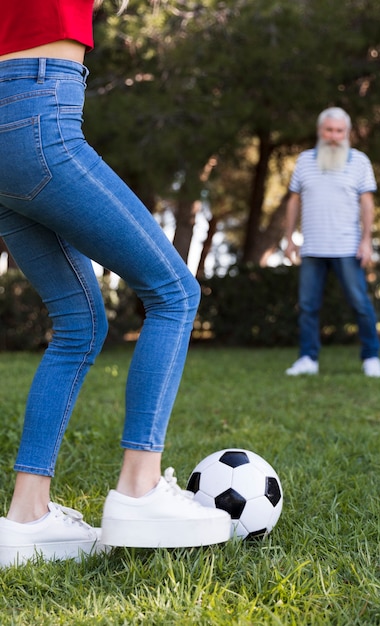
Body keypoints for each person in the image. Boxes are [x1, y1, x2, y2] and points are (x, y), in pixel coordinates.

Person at [0, 0, 231, 567]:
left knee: (79, 324)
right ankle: (140, 487)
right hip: (39, 109)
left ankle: (26, 516)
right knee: (175, 293)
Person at [284, 107, 380, 378]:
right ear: (320, 131)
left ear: (347, 133)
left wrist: (366, 241)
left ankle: (371, 356)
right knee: (307, 306)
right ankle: (307, 358)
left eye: (339, 131)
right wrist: (289, 237)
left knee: (360, 303)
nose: (334, 136)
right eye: (329, 130)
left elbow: (367, 202)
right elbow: (294, 200)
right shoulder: (304, 161)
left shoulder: (360, 161)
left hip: (347, 247)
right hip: (312, 247)